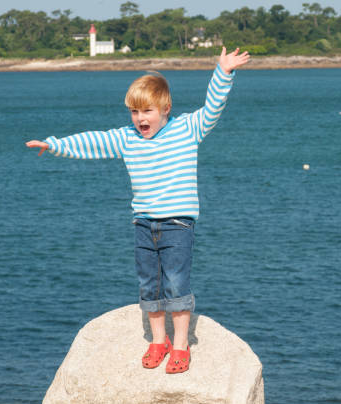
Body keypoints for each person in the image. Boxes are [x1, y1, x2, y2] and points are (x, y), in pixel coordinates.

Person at [26, 47, 250, 374]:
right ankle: (158, 341)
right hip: (144, 224)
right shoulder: (127, 138)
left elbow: (213, 107)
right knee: (149, 285)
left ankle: (181, 345)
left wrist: (223, 71)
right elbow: (93, 142)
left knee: (176, 284)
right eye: (134, 112)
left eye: (146, 111)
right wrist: (54, 145)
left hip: (177, 225)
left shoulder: (188, 129)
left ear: (165, 108)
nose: (140, 119)